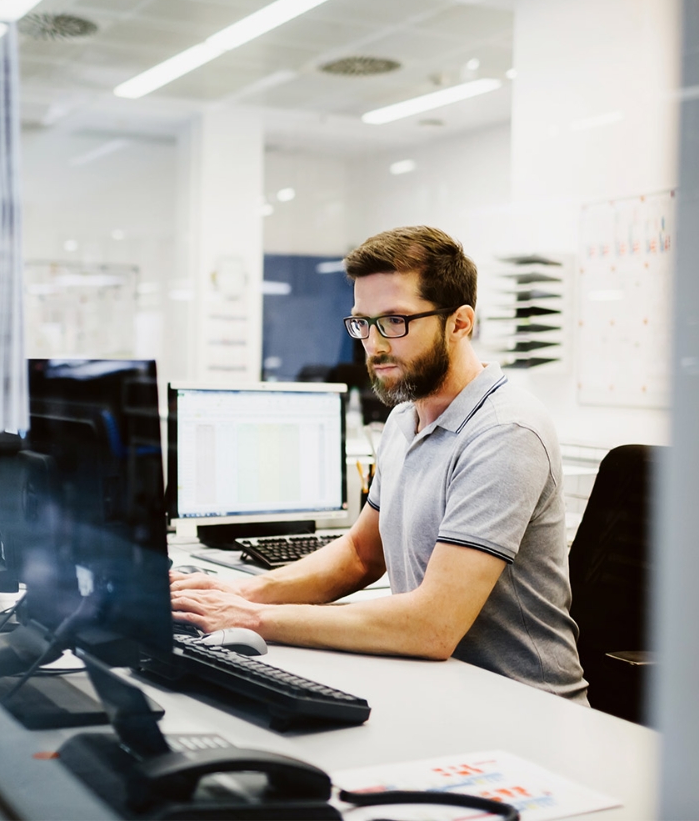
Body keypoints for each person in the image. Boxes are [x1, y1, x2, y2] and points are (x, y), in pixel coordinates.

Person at [171, 225, 588, 703]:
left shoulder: (503, 431)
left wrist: (251, 619)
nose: (374, 344)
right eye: (362, 323)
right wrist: (241, 593)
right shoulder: (405, 418)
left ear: (460, 322)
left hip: (525, 705)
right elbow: (360, 556)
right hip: (444, 687)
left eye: (395, 320)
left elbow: (432, 625)